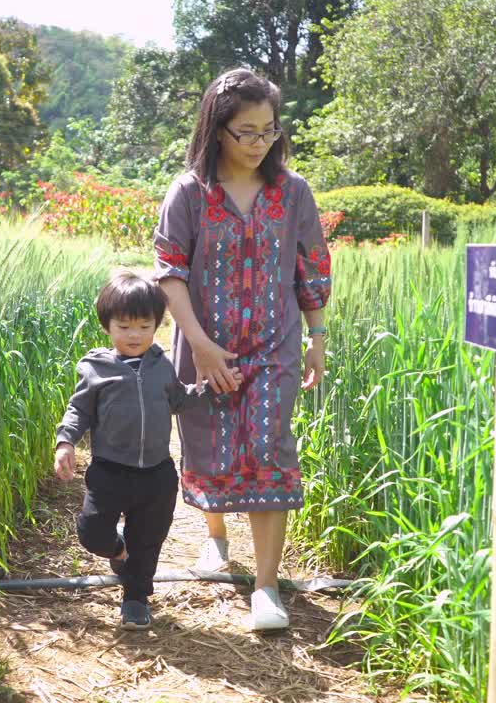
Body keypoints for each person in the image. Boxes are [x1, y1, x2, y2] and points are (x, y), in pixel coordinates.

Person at [152, 68, 332, 631]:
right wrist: (201, 347)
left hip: (276, 344)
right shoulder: (189, 192)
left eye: (269, 131)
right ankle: (216, 537)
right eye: (246, 132)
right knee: (211, 443)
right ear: (217, 130)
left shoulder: (293, 191)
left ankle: (267, 587)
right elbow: (170, 272)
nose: (259, 144)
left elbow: (312, 267)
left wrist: (317, 339)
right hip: (208, 346)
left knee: (270, 450)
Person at [54, 272, 243, 630]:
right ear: (107, 327)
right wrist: (65, 442)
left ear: (157, 325)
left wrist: (216, 389)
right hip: (110, 470)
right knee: (92, 534)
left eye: (144, 326)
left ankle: (136, 598)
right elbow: (78, 411)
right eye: (124, 326)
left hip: (157, 473)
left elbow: (181, 399)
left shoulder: (161, 365)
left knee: (149, 540)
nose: (135, 335)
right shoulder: (96, 368)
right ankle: (117, 550)